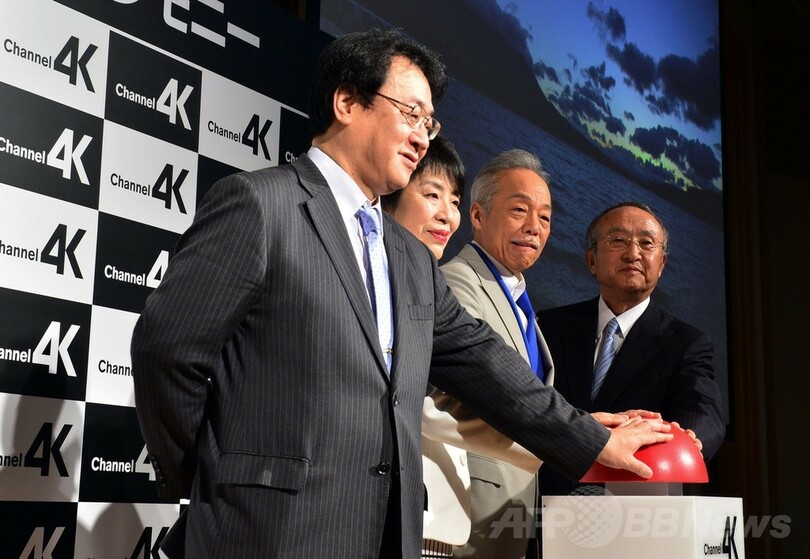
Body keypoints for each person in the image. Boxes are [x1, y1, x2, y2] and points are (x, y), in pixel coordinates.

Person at [131, 29, 671, 559]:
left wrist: (587, 434)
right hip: (267, 530)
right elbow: (167, 351)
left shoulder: (410, 257)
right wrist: (210, 471)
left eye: (429, 123)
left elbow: (485, 364)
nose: (422, 137)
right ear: (347, 102)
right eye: (410, 113)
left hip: (389, 533)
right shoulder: (260, 205)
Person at [537, 201, 726, 500]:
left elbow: (702, 407)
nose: (633, 253)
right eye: (618, 240)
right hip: (544, 500)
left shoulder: (686, 342)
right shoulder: (547, 326)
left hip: (634, 502)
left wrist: (688, 437)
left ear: (661, 264)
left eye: (647, 243)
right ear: (591, 260)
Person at [425, 149, 552, 558]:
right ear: (477, 215)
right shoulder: (455, 283)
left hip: (510, 520)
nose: (534, 227)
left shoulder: (518, 298)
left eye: (545, 217)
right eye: (520, 210)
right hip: (464, 519)